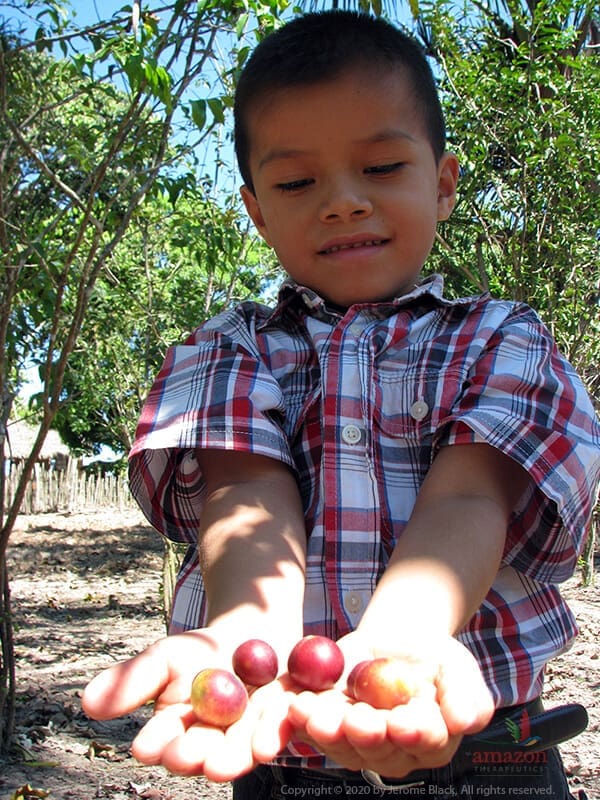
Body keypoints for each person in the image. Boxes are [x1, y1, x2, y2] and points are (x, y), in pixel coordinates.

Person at [82, 10, 600, 799]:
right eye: (297, 182)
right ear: (257, 211)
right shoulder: (229, 349)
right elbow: (246, 494)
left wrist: (402, 641)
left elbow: (469, 495)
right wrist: (246, 632)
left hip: (495, 752)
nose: (343, 202)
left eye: (384, 167)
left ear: (445, 182)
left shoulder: (503, 341)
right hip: (287, 756)